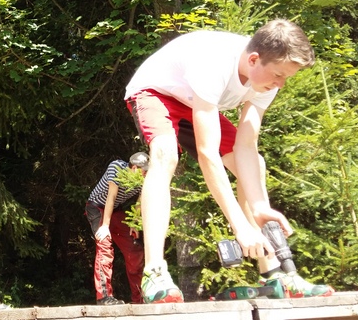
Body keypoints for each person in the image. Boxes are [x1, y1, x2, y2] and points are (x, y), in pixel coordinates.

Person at [124, 19, 334, 304]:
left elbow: (245, 146)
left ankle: (273, 273)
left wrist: (258, 208)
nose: (280, 84)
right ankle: (155, 272)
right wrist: (240, 226)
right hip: (155, 92)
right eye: (278, 75)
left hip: (195, 100)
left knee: (255, 165)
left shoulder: (268, 79)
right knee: (165, 153)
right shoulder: (214, 64)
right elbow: (207, 153)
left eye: (286, 77)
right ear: (253, 59)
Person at [85, 152, 148, 305]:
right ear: (134, 168)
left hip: (115, 210)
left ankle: (139, 299)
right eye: (144, 171)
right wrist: (105, 226)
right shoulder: (116, 167)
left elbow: (140, 200)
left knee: (134, 248)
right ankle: (104, 297)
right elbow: (111, 197)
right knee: (104, 246)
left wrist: (134, 222)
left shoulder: (143, 178)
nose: (146, 174)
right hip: (97, 207)